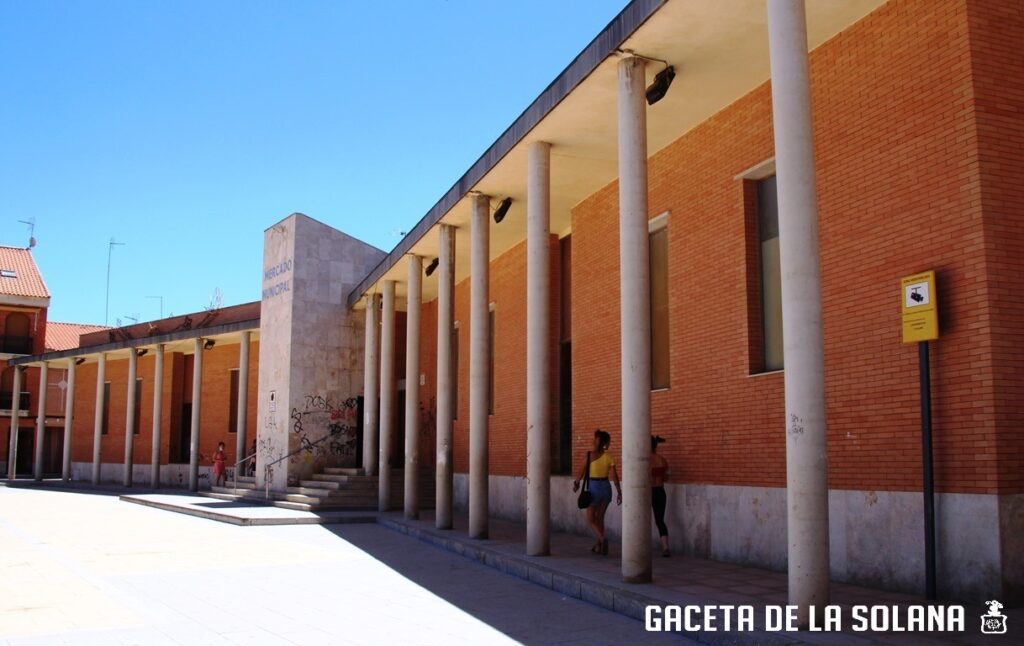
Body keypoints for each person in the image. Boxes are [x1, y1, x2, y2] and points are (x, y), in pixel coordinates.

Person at [573, 429, 622, 555]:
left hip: (594, 488)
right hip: (606, 488)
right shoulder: (609, 457)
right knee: (600, 518)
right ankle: (598, 546)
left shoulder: (589, 455)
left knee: (590, 519)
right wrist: (619, 492)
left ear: (596, 441)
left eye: (594, 438)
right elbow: (615, 476)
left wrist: (576, 484)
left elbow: (581, 471)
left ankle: (602, 539)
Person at [651, 435, 671, 557]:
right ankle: (665, 547)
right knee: (660, 520)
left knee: (641, 519)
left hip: (647, 491)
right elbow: (667, 477)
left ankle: (639, 545)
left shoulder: (644, 460)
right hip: (660, 491)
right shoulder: (662, 460)